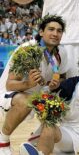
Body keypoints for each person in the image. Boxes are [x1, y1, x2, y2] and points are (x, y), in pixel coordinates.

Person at [0, 15, 68, 155]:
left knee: (59, 102)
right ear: (41, 32)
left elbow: (60, 78)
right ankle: (3, 141)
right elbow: (10, 84)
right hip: (10, 94)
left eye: (59, 31)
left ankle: (34, 140)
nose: (55, 33)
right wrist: (28, 84)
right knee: (26, 101)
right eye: (51, 29)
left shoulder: (61, 53)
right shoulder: (28, 49)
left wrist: (55, 84)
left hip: (36, 94)